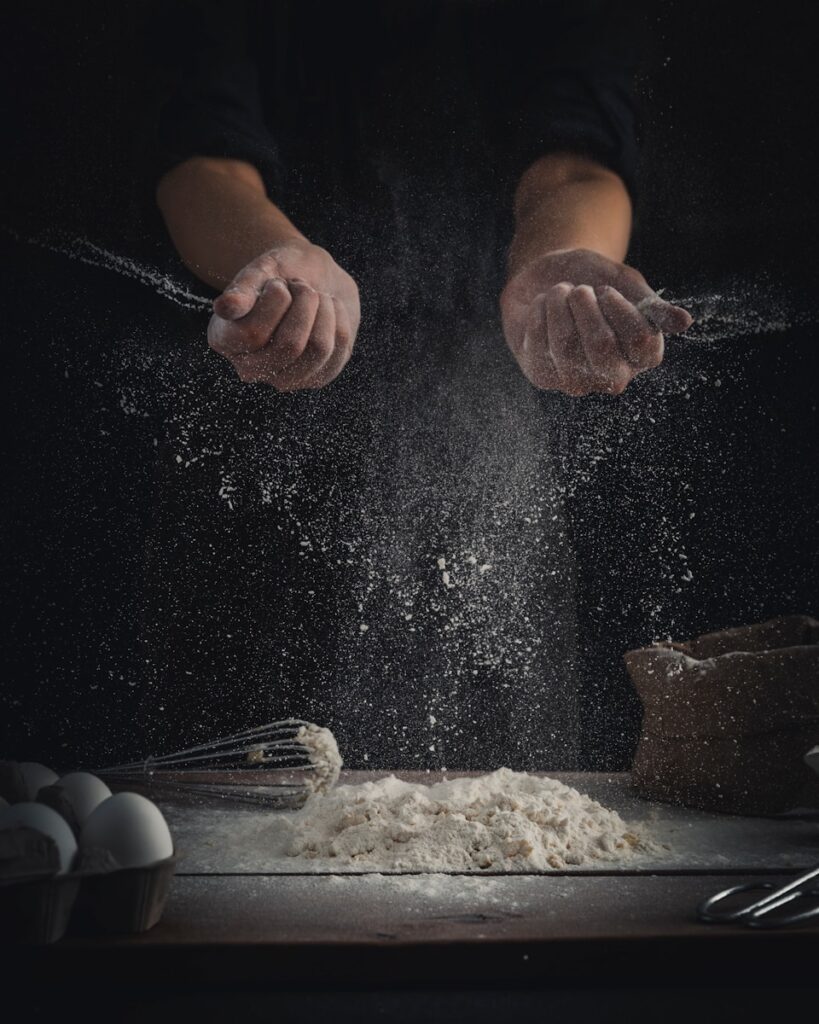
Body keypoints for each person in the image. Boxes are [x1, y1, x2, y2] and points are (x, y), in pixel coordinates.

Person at [155, 0, 692, 400]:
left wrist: (560, 260)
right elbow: (204, 160)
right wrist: (276, 261)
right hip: (256, 382)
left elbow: (578, 164)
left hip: (500, 383)